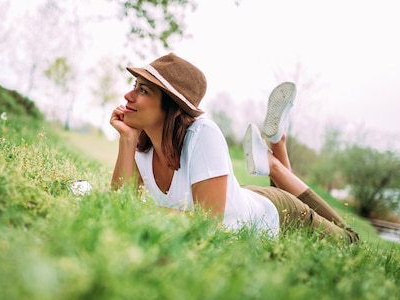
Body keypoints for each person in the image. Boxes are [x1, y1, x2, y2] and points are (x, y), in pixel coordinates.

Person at [109, 53, 359, 244]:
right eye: (134, 85)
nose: (128, 96)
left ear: (171, 107)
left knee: (350, 240)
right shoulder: (143, 147)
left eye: (143, 90)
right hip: (241, 198)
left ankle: (272, 162)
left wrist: (144, 210)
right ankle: (276, 148)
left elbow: (209, 224)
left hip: (282, 215)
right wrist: (127, 140)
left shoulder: (202, 135)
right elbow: (120, 205)